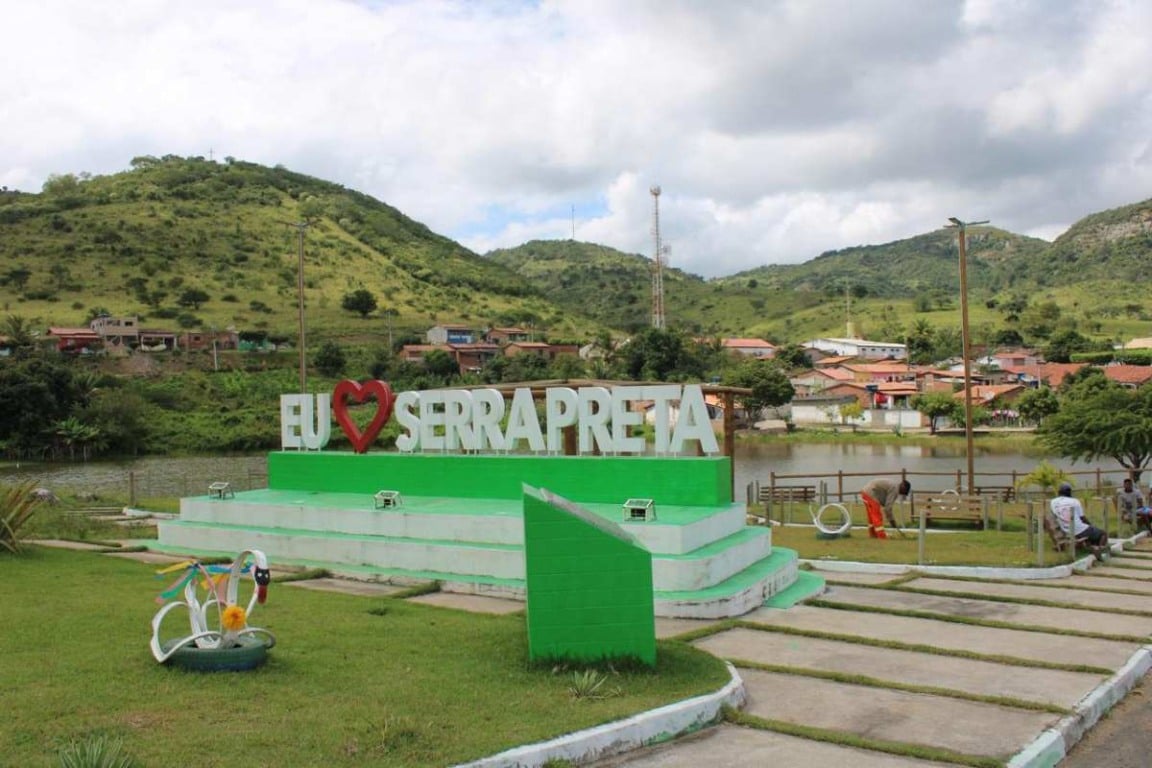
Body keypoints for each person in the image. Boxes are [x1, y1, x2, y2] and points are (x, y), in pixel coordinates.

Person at [1051, 482, 1109, 560]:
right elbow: (1082, 518)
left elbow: (1054, 516)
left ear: (1059, 492)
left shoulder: (1053, 502)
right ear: (1069, 492)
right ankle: (1099, 550)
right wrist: (1091, 525)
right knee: (1103, 534)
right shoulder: (1074, 501)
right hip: (1078, 529)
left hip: (1065, 529)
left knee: (1090, 534)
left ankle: (1090, 547)